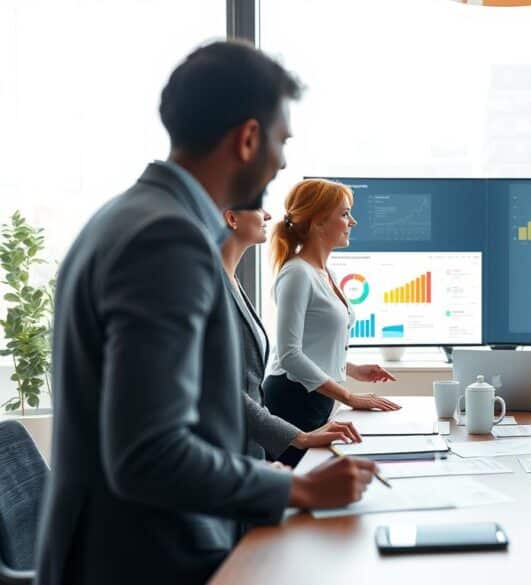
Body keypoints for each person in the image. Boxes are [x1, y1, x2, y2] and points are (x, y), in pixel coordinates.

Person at [36, 41, 379, 585]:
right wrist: (298, 487)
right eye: (281, 140)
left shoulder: (126, 215)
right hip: (148, 560)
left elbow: (181, 413)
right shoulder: (167, 238)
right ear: (247, 138)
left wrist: (253, 470)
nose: (284, 161)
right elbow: (147, 454)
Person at [264, 178, 399, 465]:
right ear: (318, 222)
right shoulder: (297, 274)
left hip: (315, 397)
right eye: (344, 213)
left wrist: (352, 368)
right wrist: (351, 397)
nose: (353, 222)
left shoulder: (326, 274)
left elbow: (312, 346)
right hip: (293, 400)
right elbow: (289, 355)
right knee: (300, 490)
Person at [220, 207, 363, 461]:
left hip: (249, 443)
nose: (268, 216)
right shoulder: (209, 287)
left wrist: (350, 368)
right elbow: (220, 389)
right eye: (257, 206)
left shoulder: (231, 280)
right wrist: (299, 436)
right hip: (227, 447)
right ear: (231, 218)